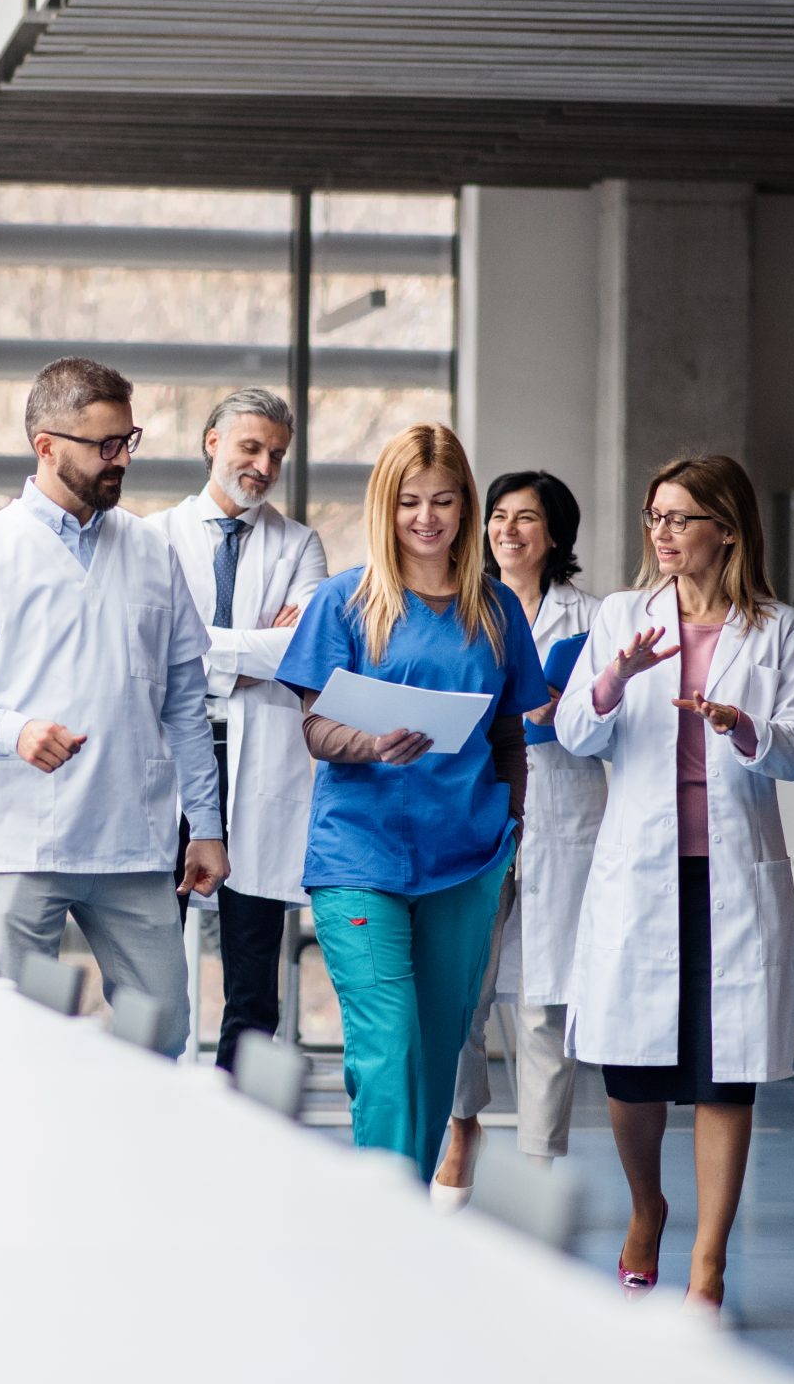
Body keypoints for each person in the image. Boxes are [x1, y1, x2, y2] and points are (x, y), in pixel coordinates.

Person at [0, 357, 228, 1059]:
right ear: (46, 446)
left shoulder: (150, 549)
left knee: (164, 1031)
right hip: (25, 840)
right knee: (14, 1037)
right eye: (103, 445)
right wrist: (12, 731)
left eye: (128, 441)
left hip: (135, 843)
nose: (121, 461)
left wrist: (206, 824)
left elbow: (184, 703)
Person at [556, 453, 794, 1313]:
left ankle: (708, 1262)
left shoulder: (777, 627)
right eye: (655, 517)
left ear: (729, 530)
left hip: (731, 872)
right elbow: (574, 731)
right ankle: (647, 1209)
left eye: (681, 518)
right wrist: (615, 678)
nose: (663, 533)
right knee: (632, 1072)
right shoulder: (620, 615)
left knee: (723, 1070)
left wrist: (746, 727)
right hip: (642, 871)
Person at [276, 424, 550, 1182]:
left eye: (443, 500)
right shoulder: (345, 603)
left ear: (465, 506)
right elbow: (317, 727)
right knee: (387, 1045)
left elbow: (507, 734)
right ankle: (384, 1232)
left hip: (466, 859)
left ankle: (405, 1213)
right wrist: (371, 744)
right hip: (360, 854)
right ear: (384, 507)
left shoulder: (495, 611)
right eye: (408, 502)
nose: (426, 517)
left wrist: (512, 830)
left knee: (434, 1053)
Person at [432, 469, 604, 1204]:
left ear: (554, 533)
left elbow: (616, 725)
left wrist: (567, 713)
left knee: (541, 1005)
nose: (507, 529)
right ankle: (464, 1120)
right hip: (479, 810)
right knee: (459, 992)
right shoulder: (463, 608)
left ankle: (539, 1169)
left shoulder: (594, 617)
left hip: (563, 815)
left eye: (525, 518)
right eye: (498, 515)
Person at [148, 388, 328, 1071]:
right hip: (173, 764)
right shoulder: (154, 536)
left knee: (254, 980)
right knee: (154, 959)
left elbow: (302, 653)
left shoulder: (299, 543)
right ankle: (152, 1104)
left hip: (260, 768)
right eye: (250, 447)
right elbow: (149, 651)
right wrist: (247, 651)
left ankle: (240, 1126)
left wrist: (196, 648)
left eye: (276, 454)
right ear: (212, 441)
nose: (263, 464)